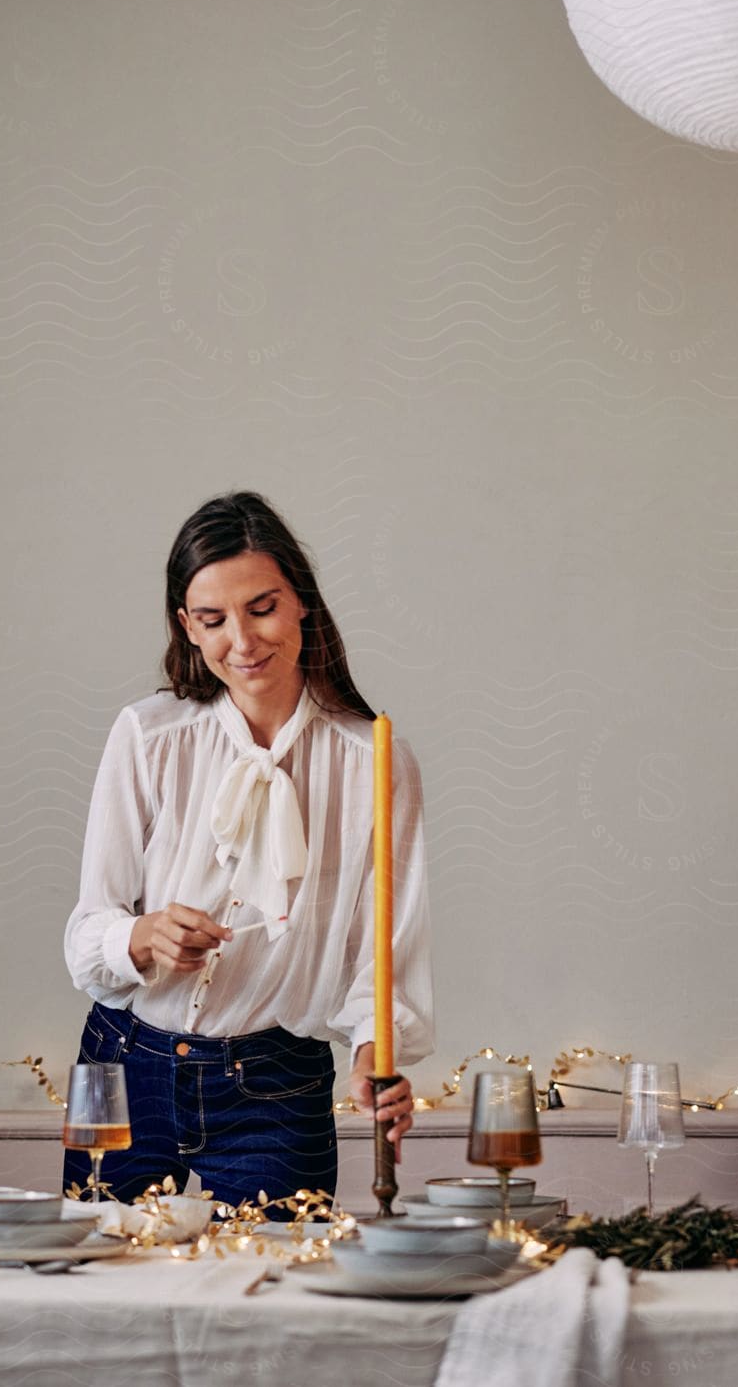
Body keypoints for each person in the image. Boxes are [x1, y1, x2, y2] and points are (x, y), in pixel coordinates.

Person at [61, 491, 432, 1207]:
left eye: (262, 607)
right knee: (106, 1300)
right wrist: (142, 935)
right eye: (213, 619)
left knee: (275, 1302)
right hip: (124, 1065)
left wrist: (371, 1055)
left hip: (276, 1085)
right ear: (187, 628)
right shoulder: (148, 736)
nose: (243, 640)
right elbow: (87, 932)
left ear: (302, 604)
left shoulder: (375, 760)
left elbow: (386, 952)